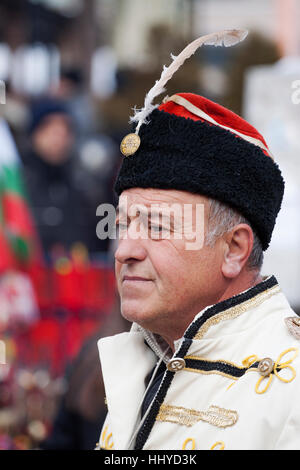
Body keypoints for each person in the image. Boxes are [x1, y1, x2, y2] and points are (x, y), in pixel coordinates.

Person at [97, 30, 300, 450]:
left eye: (157, 227)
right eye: (124, 224)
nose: (125, 251)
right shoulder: (143, 357)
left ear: (234, 250)